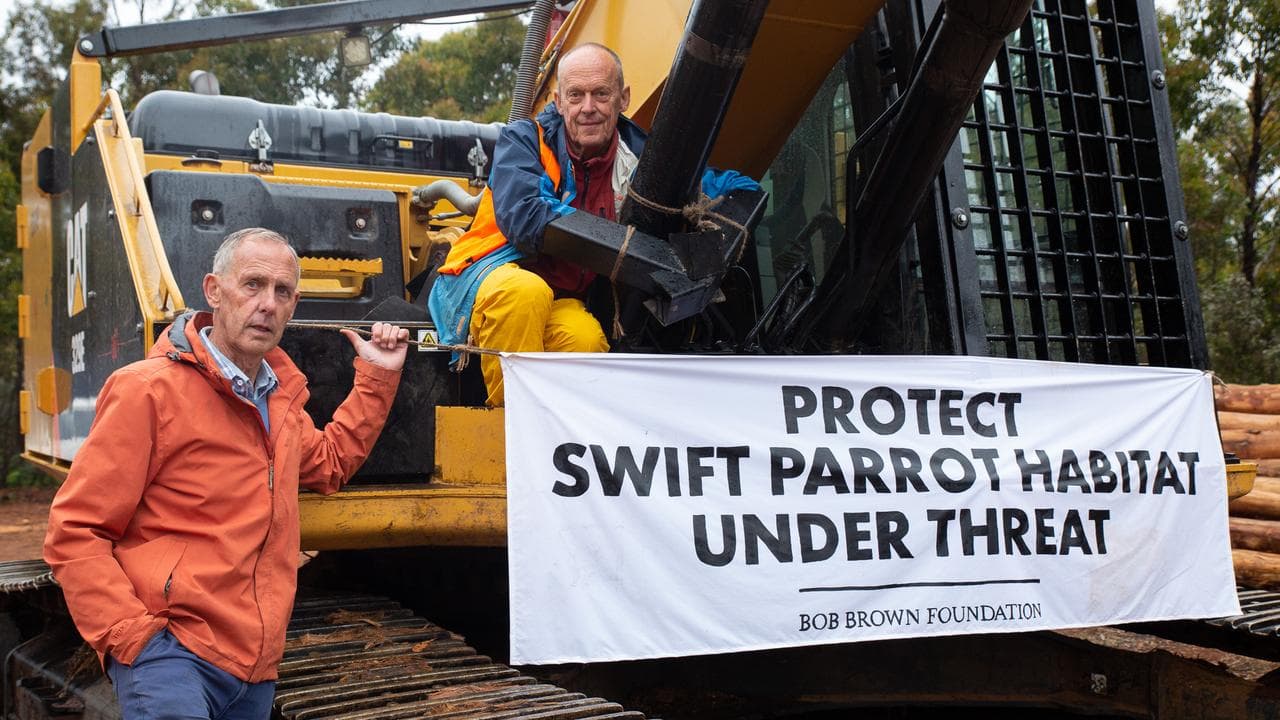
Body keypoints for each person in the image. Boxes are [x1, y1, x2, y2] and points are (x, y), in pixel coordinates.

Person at [43, 227, 410, 720]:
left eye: (282, 292)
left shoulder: (278, 403)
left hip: (254, 668)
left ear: (294, 305)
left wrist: (379, 375)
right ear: (214, 291)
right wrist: (133, 637)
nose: (267, 304)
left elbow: (329, 463)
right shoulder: (147, 392)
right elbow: (76, 531)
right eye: (252, 284)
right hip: (173, 655)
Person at [428, 42, 636, 406]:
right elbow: (525, 218)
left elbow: (710, 185)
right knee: (525, 294)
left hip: (560, 296)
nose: (588, 107)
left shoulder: (639, 159)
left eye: (601, 94)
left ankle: (569, 445)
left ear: (624, 98)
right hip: (486, 276)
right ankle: (510, 430)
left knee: (584, 338)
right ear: (559, 101)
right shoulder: (523, 141)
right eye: (576, 95)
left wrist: (740, 200)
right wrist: (615, 238)